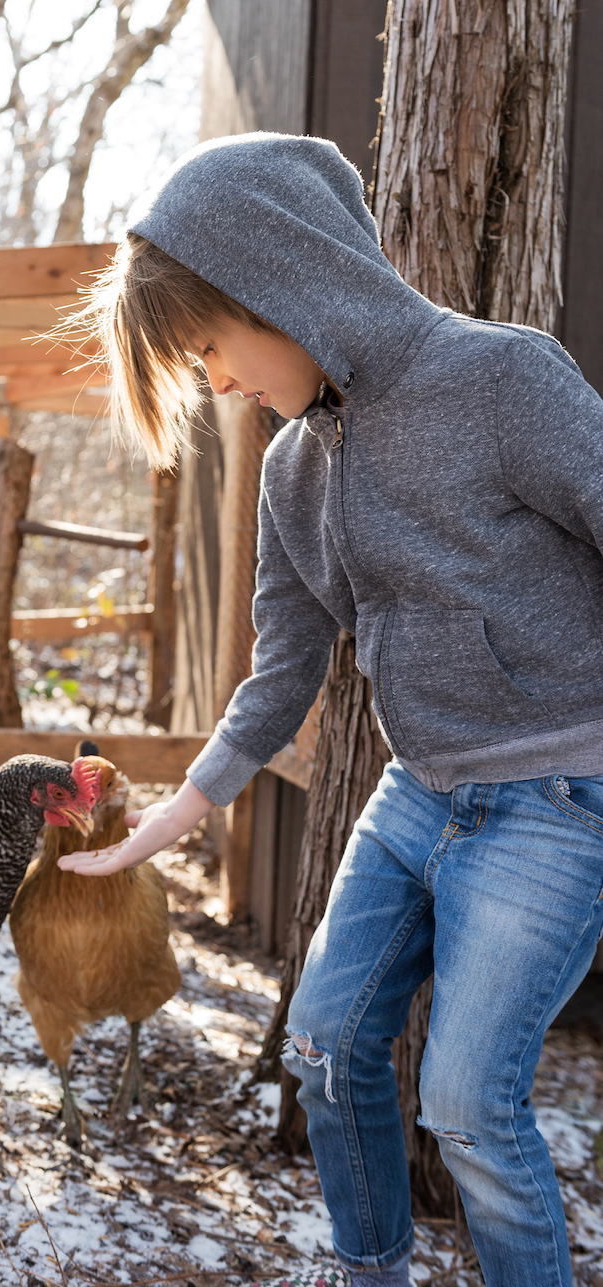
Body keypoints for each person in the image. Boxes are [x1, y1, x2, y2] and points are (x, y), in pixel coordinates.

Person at [55, 133, 603, 1287]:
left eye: (209, 345)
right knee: (323, 1043)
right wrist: (173, 813)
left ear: (283, 279)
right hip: (418, 793)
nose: (213, 382)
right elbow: (282, 668)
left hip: (558, 793)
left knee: (461, 1102)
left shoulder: (504, 380)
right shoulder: (291, 469)